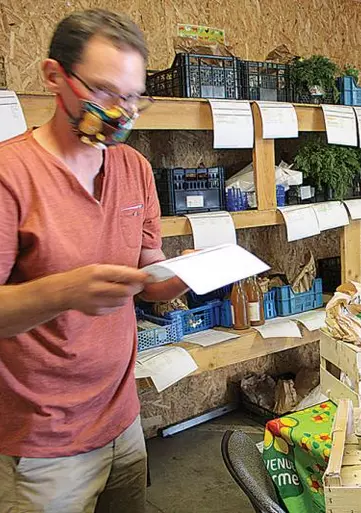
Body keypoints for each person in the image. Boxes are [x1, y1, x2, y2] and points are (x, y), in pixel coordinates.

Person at [0, 10, 189, 512]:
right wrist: (65, 291)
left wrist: (178, 275)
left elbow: (149, 268)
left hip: (122, 419)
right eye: (105, 92)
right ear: (54, 76)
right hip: (43, 444)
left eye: (132, 96)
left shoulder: (134, 167)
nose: (122, 111)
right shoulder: (9, 174)